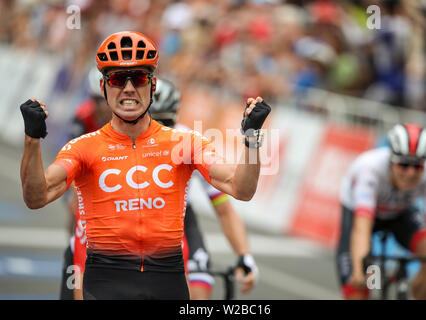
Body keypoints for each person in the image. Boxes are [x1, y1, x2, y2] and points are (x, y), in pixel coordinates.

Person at [19, 30, 270, 300]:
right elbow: (37, 196)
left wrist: (252, 140)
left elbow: (240, 188)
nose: (128, 89)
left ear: (152, 85)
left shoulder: (185, 143)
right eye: (116, 79)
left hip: (167, 283)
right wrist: (32, 140)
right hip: (105, 282)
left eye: (138, 78)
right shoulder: (82, 148)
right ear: (104, 87)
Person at [150, 78, 259, 299]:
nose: (162, 129)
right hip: (134, 219)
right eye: (154, 121)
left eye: (167, 121)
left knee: (198, 297)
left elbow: (224, 208)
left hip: (179, 221)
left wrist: (244, 254)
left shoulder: (188, 141)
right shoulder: (120, 141)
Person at [336, 123, 426, 300]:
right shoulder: (370, 168)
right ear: (391, 159)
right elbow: (361, 227)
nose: (410, 173)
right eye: (404, 164)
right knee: (361, 285)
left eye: (418, 166)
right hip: (364, 217)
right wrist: (360, 270)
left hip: (400, 213)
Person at [59, 67, 111, 300]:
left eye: (103, 101)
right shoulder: (83, 115)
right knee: (76, 208)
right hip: (84, 169)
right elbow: (71, 162)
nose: (99, 107)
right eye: (95, 100)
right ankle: (75, 249)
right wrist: (74, 196)